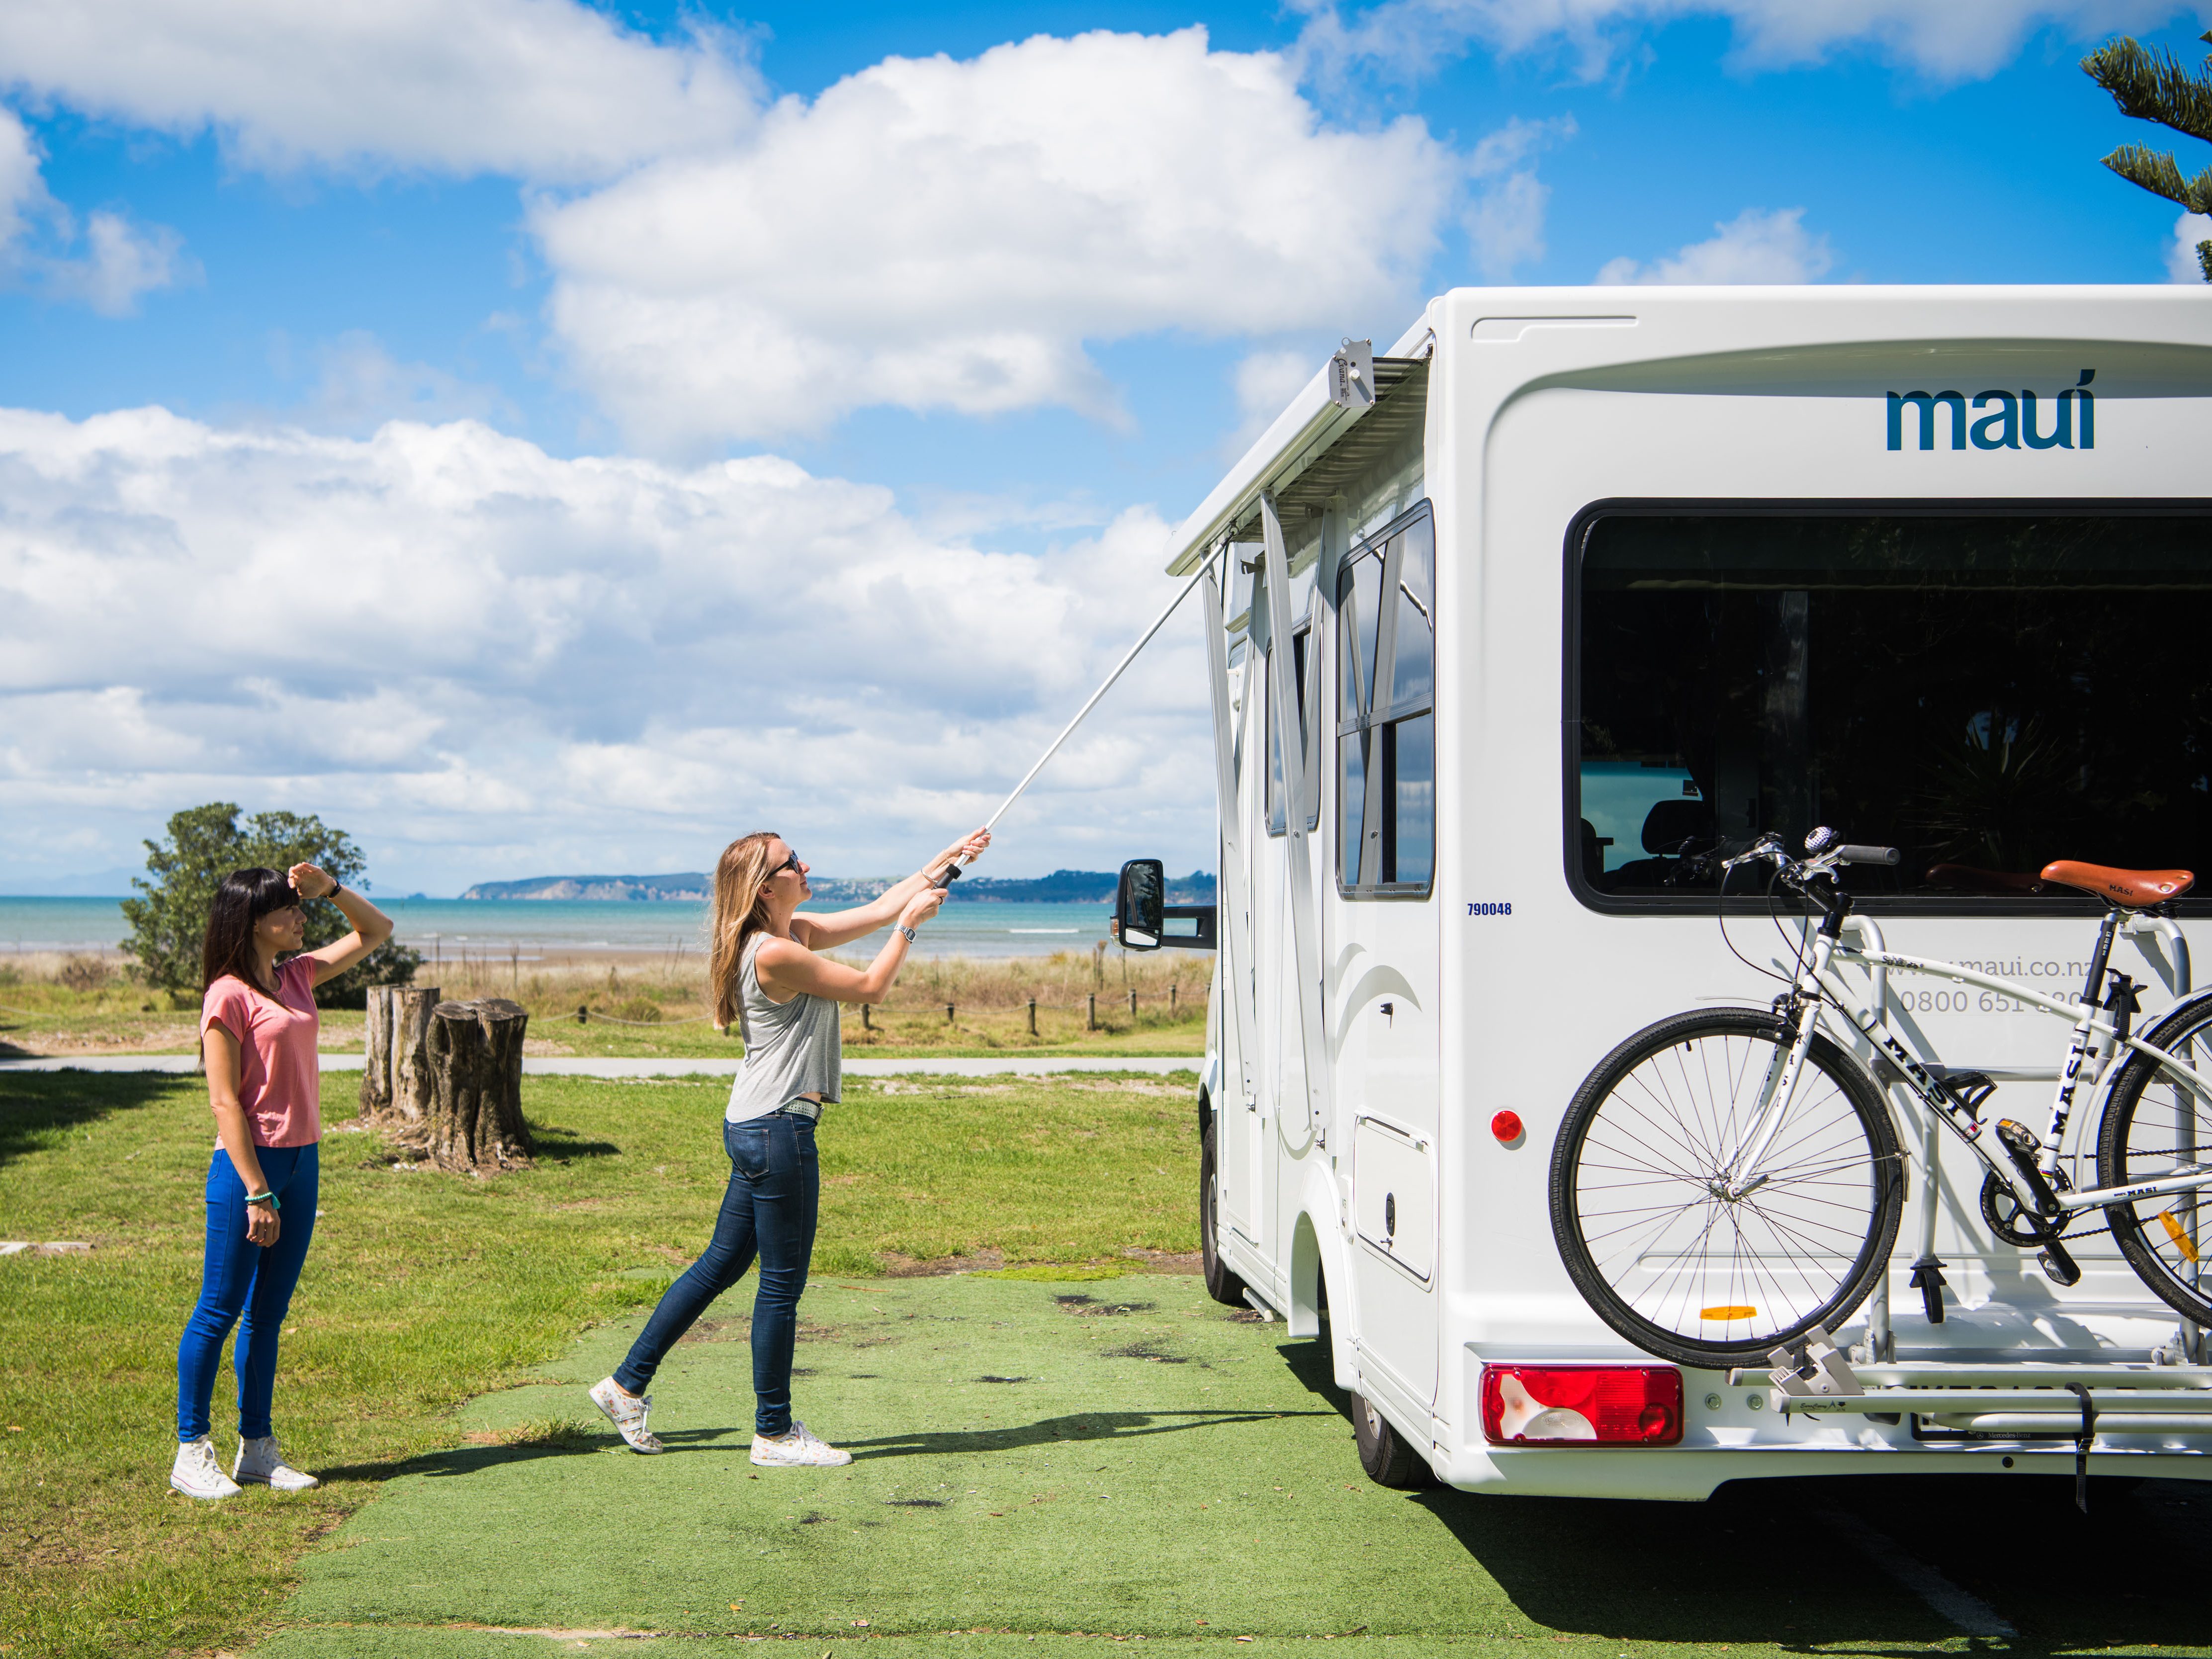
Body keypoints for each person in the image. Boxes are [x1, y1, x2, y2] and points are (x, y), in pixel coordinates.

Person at [589, 826, 989, 1467]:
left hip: (753, 1125)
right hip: (779, 1131)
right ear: (764, 885)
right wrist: (910, 931)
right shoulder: (774, 953)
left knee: (719, 1266)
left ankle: (624, 1385)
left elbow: (881, 905)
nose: (805, 865)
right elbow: (870, 988)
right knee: (780, 1286)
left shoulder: (790, 934)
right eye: (790, 862)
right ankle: (774, 1433)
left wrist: (943, 865)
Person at [171, 864, 395, 1500]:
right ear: (252, 922)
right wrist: (255, 1189)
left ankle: (258, 1451)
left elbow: (376, 930)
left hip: (303, 1161)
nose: (302, 919)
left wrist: (330, 888)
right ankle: (191, 1450)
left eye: (302, 908)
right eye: (290, 910)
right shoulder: (227, 995)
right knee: (219, 1310)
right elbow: (224, 1103)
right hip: (251, 1169)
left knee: (268, 1315)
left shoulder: (298, 974)